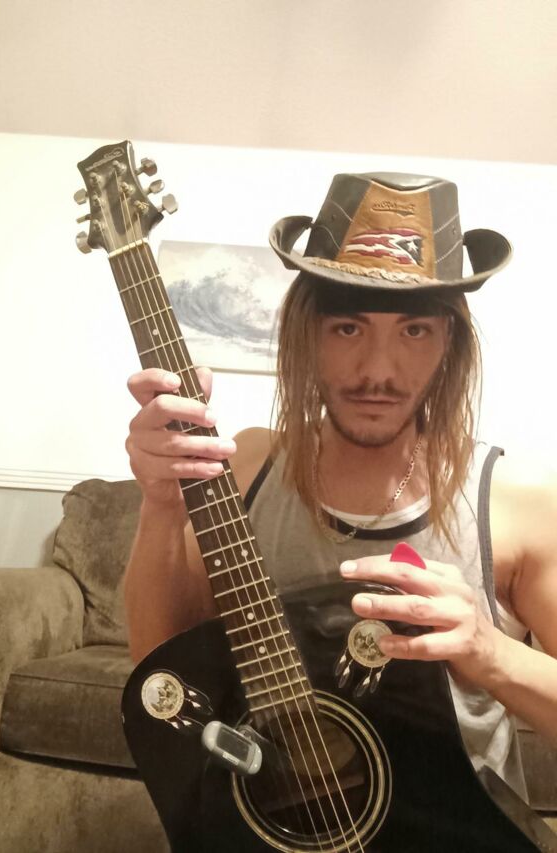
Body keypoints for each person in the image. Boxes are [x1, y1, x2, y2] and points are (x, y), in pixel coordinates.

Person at [123, 171, 557, 801]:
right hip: (278, 828)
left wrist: (490, 652)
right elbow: (161, 680)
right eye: (348, 328)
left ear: (449, 344)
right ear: (308, 334)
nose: (377, 371)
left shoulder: (517, 502)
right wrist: (161, 506)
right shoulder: (246, 467)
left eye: (414, 331)